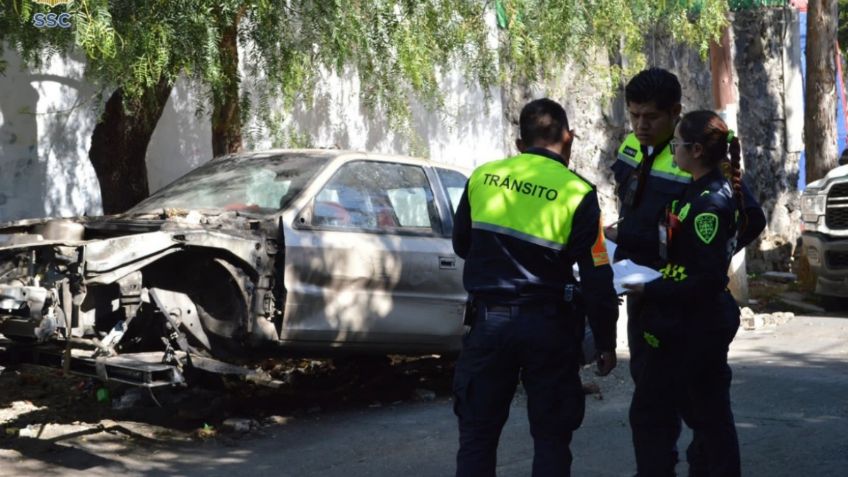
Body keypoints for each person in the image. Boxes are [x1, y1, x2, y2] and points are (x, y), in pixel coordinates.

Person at [451, 98, 618, 477]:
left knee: (477, 435)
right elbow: (596, 277)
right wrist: (605, 342)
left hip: (489, 323)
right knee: (552, 437)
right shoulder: (578, 193)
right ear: (569, 139)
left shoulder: (482, 177)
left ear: (519, 144)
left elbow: (462, 244)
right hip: (549, 328)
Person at [624, 110, 760, 476]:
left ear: (696, 150)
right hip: (680, 322)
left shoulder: (711, 203)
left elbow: (705, 277)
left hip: (692, 326)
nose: (673, 152)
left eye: (678, 145)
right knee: (696, 417)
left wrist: (647, 286)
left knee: (700, 419)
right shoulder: (696, 190)